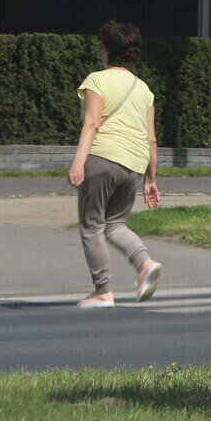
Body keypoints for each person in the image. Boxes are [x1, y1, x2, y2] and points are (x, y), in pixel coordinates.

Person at [68, 19, 163, 309]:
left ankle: (103, 291)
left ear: (107, 51)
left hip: (103, 159)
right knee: (114, 224)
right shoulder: (144, 89)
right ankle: (145, 264)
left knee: (91, 225)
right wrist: (150, 180)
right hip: (134, 165)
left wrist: (78, 161)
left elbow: (92, 123)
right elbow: (151, 139)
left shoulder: (97, 80)